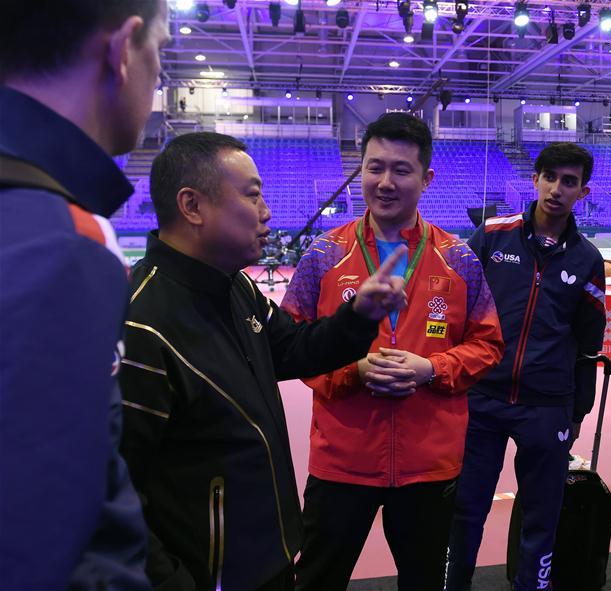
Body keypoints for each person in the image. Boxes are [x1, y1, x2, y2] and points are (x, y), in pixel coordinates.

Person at [118, 132, 408, 590]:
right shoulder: (141, 326)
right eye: (252, 195)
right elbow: (113, 491)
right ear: (192, 207)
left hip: (268, 556)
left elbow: (294, 349)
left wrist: (359, 316)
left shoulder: (236, 287)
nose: (267, 212)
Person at [281, 112, 504, 591]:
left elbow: (488, 344)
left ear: (426, 178)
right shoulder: (322, 255)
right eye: (374, 167)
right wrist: (353, 370)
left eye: (401, 170)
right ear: (359, 169)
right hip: (343, 458)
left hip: (429, 462)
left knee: (424, 582)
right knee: (316, 581)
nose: (385, 182)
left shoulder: (460, 259)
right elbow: (291, 346)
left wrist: (431, 367)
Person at [0, 1, 170, 588]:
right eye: (161, 53)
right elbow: (36, 549)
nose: (159, 77)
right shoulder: (61, 241)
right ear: (123, 50)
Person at [446, 142, 607, 591]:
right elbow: (457, 307)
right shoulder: (492, 235)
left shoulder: (588, 259)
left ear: (583, 191)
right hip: (483, 400)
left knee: (542, 518)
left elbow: (589, 345)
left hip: (548, 408)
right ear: (534, 179)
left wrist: (577, 413)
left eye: (569, 181)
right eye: (550, 177)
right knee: (465, 510)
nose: (557, 189)